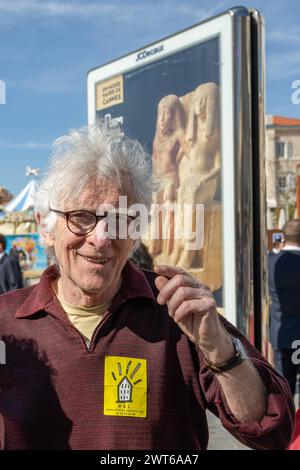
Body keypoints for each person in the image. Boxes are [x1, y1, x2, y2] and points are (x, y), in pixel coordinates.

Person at [0, 124, 295, 450]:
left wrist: (220, 351)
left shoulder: (178, 310)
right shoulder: (6, 323)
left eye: (120, 219)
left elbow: (272, 429)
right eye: (81, 217)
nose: (101, 238)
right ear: (46, 227)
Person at [269, 219, 300, 397]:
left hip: (282, 334)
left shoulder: (272, 260)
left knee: (284, 388)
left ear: (283, 237)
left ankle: (287, 424)